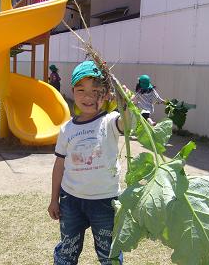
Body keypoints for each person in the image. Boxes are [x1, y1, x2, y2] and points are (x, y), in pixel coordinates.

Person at [47, 60, 129, 265]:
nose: (88, 96)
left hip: (105, 202)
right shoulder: (67, 129)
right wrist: (53, 199)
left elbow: (127, 123)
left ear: (106, 94)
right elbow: (59, 166)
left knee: (109, 253)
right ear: (73, 91)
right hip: (71, 201)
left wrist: (127, 103)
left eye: (96, 90)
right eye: (81, 89)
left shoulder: (110, 121)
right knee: (67, 250)